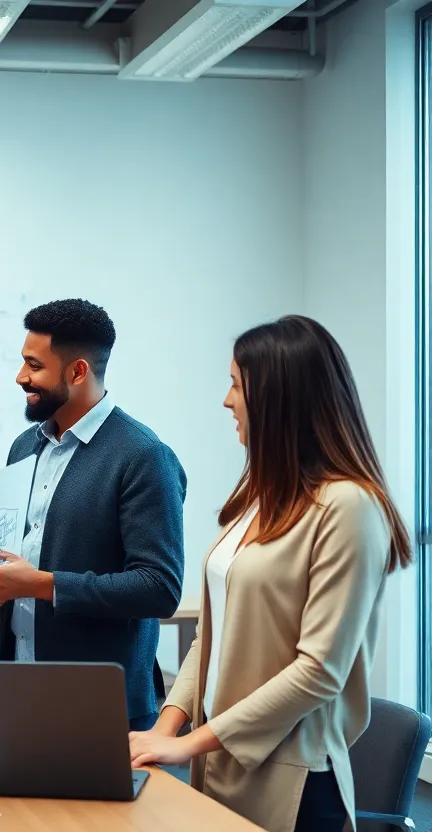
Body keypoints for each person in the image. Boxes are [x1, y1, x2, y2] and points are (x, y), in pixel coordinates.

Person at [127, 316, 411, 832]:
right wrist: (167, 729)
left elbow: (319, 670)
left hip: (293, 778)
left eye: (236, 385)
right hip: (218, 759)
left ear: (279, 397)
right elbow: (209, 638)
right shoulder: (259, 497)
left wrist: (189, 743)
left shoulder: (348, 506)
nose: (226, 401)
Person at [0, 298, 185, 732]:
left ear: (77, 372)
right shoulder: (25, 447)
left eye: (34, 365)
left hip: (98, 704)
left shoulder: (144, 456)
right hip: (14, 691)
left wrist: (39, 584)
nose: (21, 376)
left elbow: (159, 588)